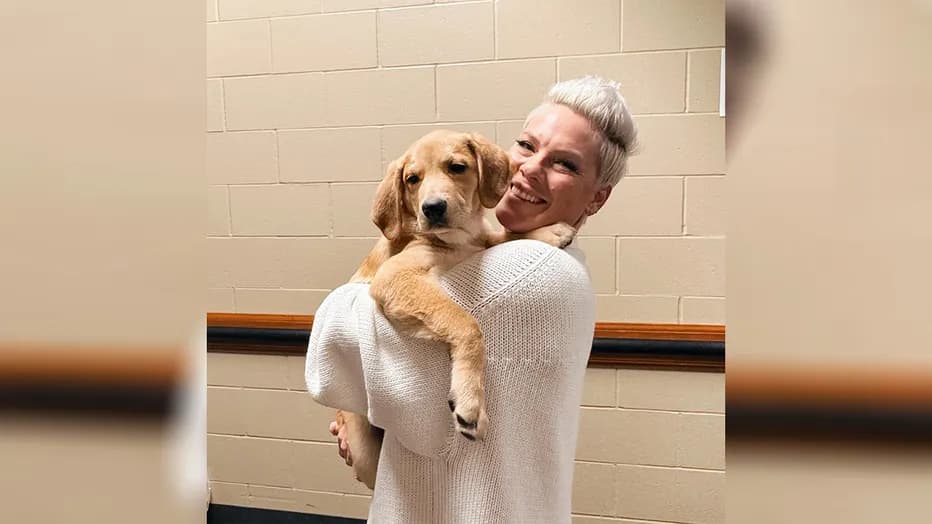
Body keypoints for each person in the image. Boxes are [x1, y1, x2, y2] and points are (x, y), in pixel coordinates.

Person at [306, 75, 638, 523]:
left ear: (597, 197)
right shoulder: (543, 254)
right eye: (526, 144)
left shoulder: (527, 276)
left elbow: (345, 364)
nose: (528, 168)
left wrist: (348, 330)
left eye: (564, 164)